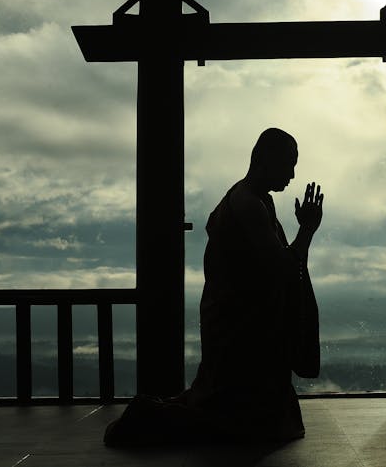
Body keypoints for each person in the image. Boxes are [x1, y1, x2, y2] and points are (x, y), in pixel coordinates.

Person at [104, 128, 323, 446]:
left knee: (241, 413)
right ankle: (147, 415)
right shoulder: (248, 205)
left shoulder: (258, 201)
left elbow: (277, 267)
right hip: (241, 332)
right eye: (288, 164)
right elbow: (281, 268)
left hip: (244, 326)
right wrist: (307, 230)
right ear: (264, 160)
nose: (292, 174)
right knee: (232, 419)